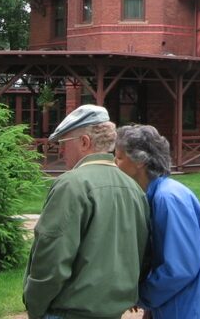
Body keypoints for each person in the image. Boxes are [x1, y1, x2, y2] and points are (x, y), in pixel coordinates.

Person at [23, 105, 150, 319]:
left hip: (68, 311)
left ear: (84, 142)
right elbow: (142, 251)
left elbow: (52, 256)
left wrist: (34, 305)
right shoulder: (134, 188)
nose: (60, 151)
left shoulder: (71, 184)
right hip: (112, 312)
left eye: (63, 143)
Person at [115, 124, 200, 319]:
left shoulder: (168, 198)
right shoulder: (157, 195)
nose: (115, 163)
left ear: (139, 161)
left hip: (195, 310)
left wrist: (141, 296)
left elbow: (180, 268)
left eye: (119, 157)